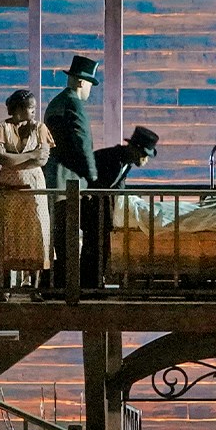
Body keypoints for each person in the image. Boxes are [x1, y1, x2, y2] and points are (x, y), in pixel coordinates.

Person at [0, 89, 54, 288]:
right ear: (18, 109)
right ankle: (4, 286)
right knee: (7, 232)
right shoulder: (1, 128)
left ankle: (34, 286)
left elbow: (43, 158)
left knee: (35, 231)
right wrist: (29, 156)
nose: (34, 112)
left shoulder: (39, 128)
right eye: (30, 108)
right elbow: (1, 157)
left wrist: (15, 159)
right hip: (9, 187)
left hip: (33, 187)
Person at [43, 55, 99, 287]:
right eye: (89, 85)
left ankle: (59, 281)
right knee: (69, 234)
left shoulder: (56, 102)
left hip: (55, 178)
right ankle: (71, 284)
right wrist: (93, 176)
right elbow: (82, 142)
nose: (89, 91)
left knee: (59, 234)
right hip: (68, 182)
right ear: (80, 82)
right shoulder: (73, 103)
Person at [84, 126, 159, 287]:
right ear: (135, 149)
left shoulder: (126, 162)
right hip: (91, 204)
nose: (145, 160)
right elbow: (96, 182)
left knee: (100, 244)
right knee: (93, 244)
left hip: (102, 206)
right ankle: (90, 283)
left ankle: (95, 281)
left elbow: (118, 186)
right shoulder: (110, 158)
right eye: (144, 155)